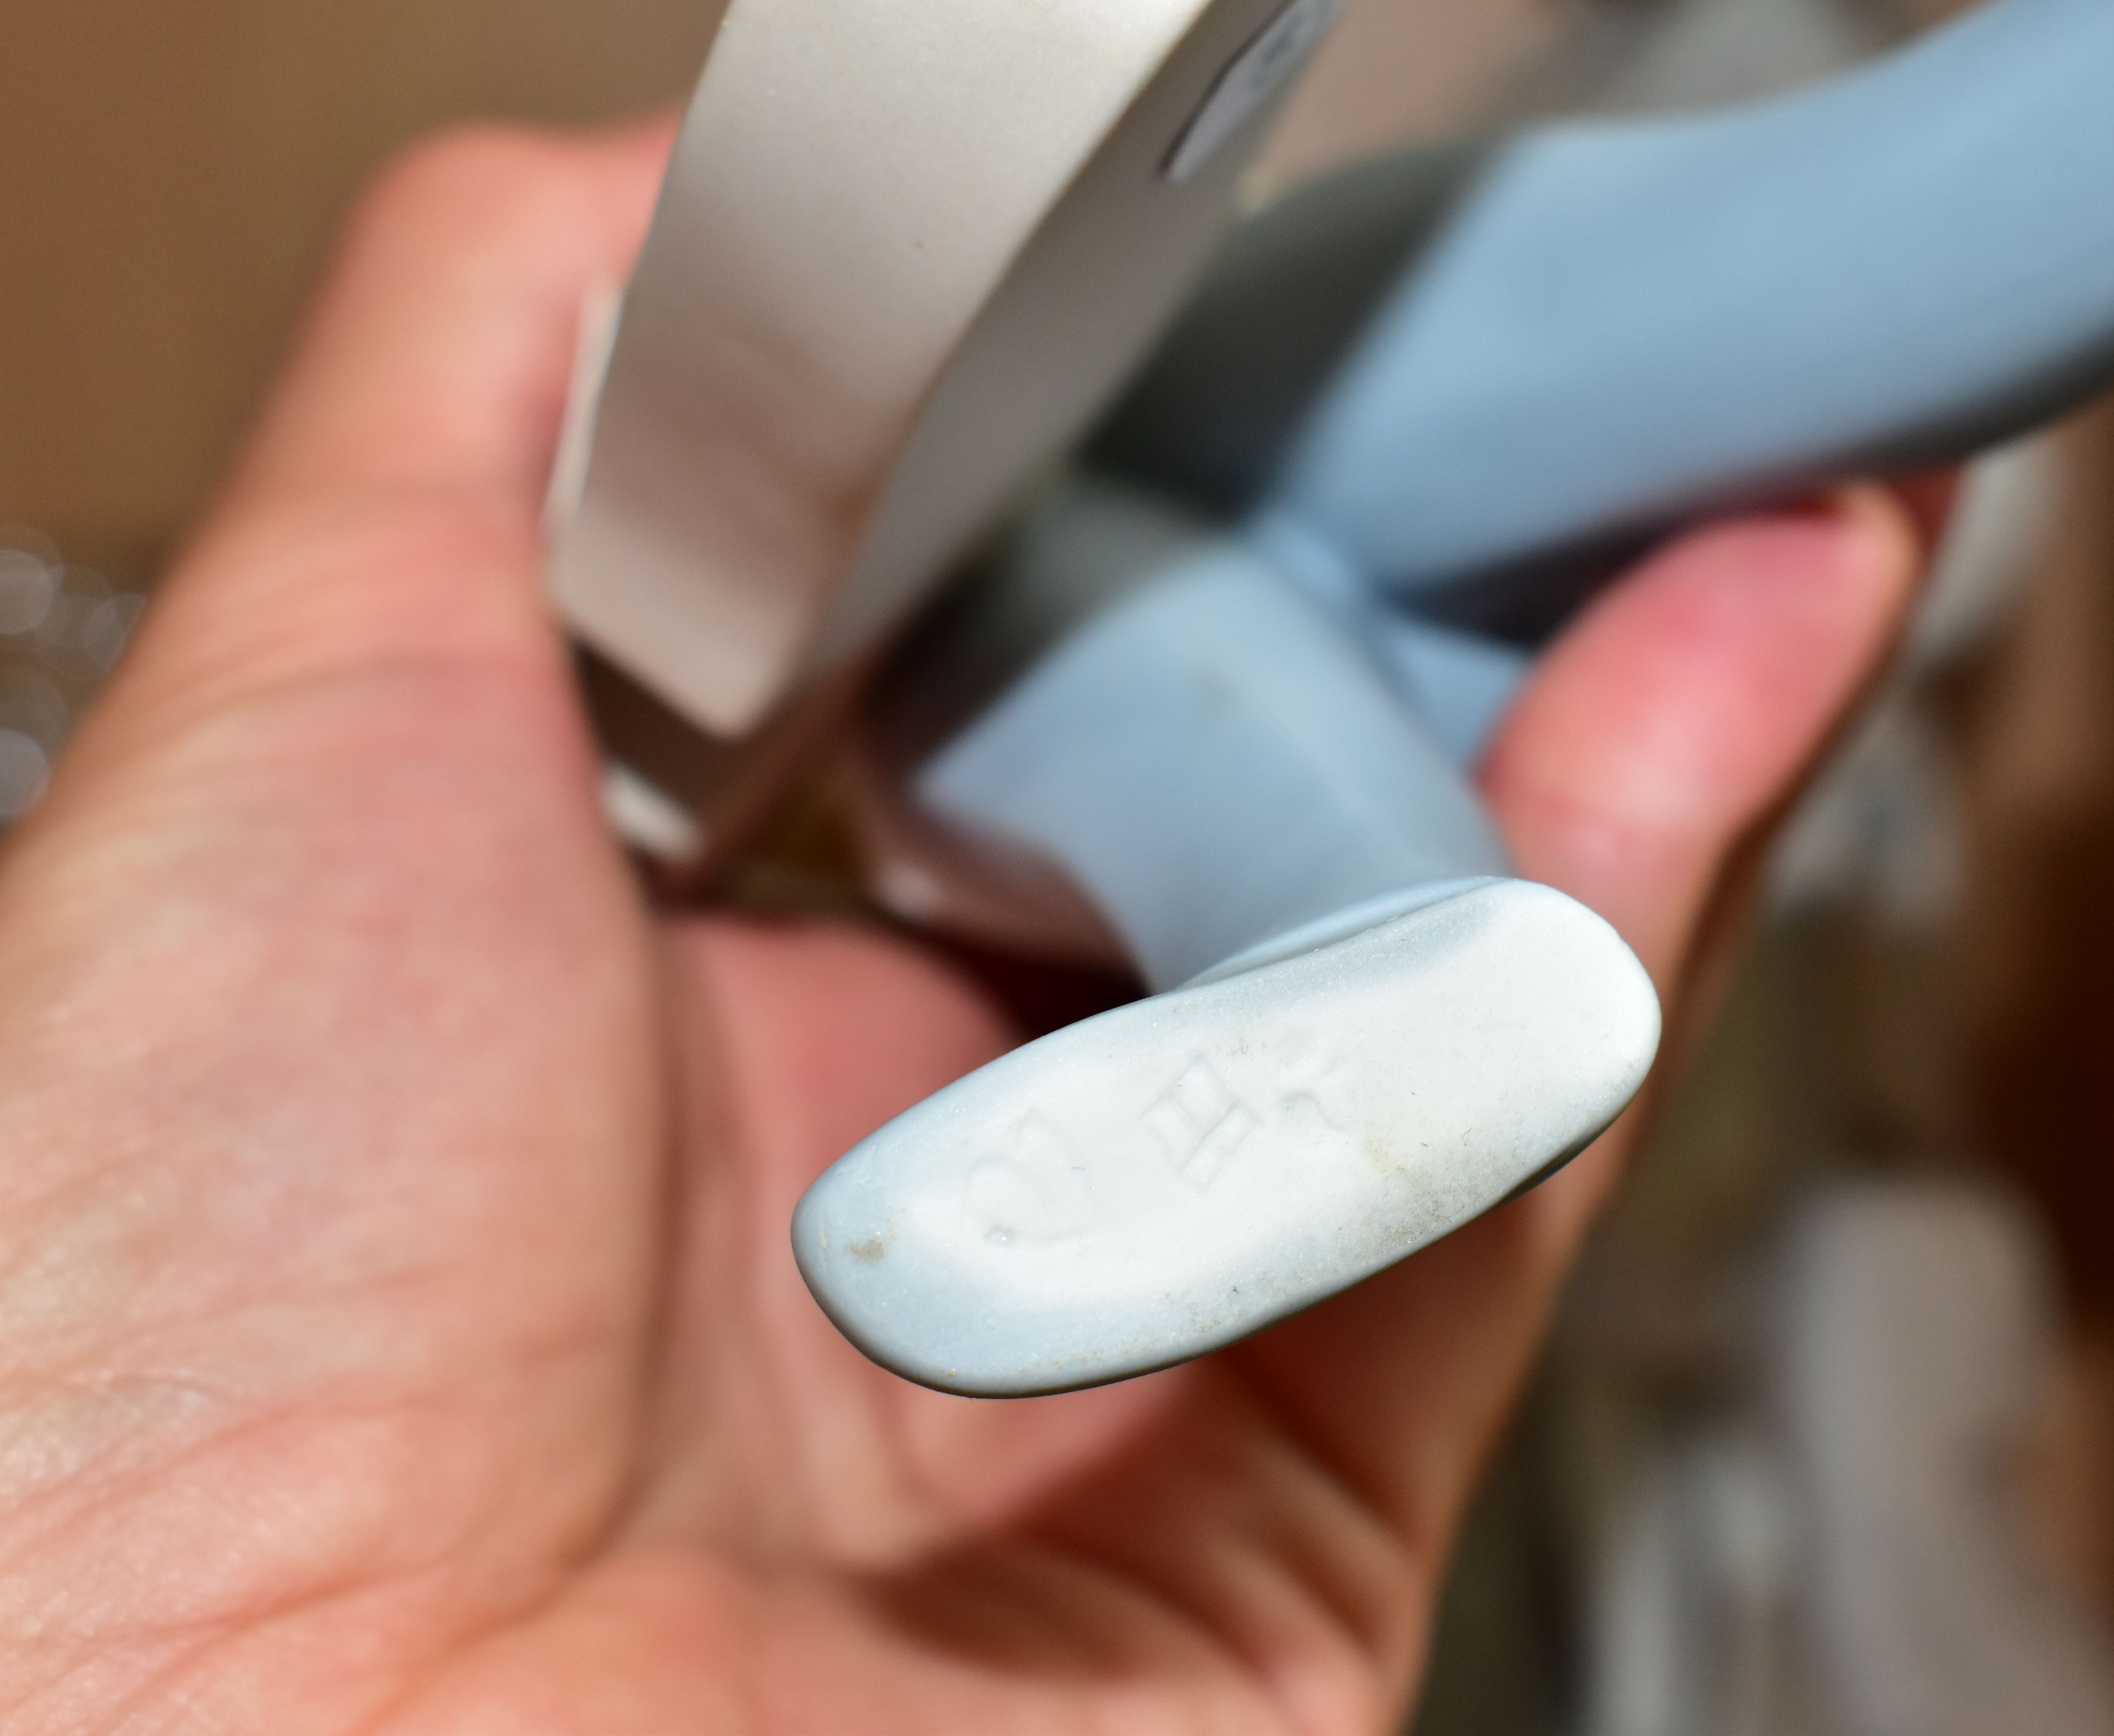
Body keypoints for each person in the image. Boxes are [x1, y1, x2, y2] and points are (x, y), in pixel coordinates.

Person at [0, 120, 1920, 1731]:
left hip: (1061, 572)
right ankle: (1382, 924)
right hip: (1051, 563)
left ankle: (1383, 928)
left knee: (1257, 603)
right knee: (1636, 357)